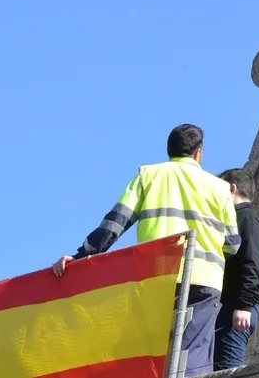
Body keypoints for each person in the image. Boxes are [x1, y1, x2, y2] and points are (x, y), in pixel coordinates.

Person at [51, 124, 241, 377]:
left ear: (169, 150)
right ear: (198, 153)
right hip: (203, 279)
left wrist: (78, 257)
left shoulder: (148, 176)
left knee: (150, 351)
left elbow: (113, 225)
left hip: (155, 278)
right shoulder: (219, 188)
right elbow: (233, 243)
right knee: (193, 353)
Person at [213, 168, 259, 371]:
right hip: (228, 308)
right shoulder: (235, 219)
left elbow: (252, 263)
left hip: (236, 308)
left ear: (232, 189)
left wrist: (244, 306)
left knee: (228, 370)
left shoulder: (248, 219)